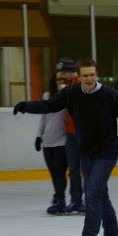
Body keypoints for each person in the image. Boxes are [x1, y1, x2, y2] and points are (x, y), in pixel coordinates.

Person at [13, 57, 118, 236]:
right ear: (79, 76)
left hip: (107, 152)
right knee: (101, 196)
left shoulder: (108, 94)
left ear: (97, 74)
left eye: (92, 75)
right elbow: (49, 106)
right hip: (86, 153)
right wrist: (26, 106)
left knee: (92, 193)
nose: (89, 79)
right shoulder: (71, 93)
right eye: (85, 75)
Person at [36, 72, 68, 214]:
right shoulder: (47, 97)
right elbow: (43, 117)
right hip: (47, 142)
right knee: (53, 173)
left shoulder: (68, 97)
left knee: (59, 171)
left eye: (63, 79)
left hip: (62, 141)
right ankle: (57, 196)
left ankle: (61, 200)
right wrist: (38, 136)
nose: (60, 81)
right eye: (58, 79)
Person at [57, 57, 85, 214]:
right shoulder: (65, 86)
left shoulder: (80, 84)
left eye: (62, 72)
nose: (60, 75)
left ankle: (90, 201)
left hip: (84, 134)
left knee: (87, 169)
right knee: (73, 169)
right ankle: (76, 201)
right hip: (71, 134)